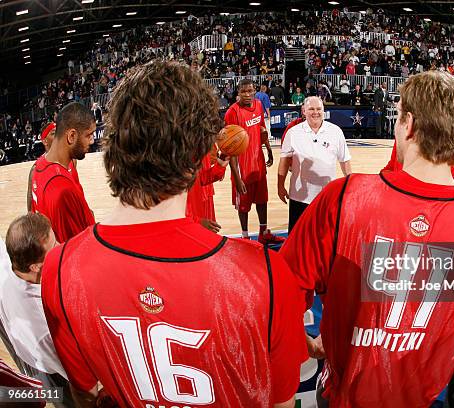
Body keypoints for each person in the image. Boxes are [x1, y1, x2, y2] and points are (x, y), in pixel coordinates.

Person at [41, 61, 306, 408]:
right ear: (198, 153)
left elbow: (87, 395)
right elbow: (279, 403)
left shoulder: (59, 270)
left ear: (114, 145)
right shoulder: (266, 276)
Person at [280, 71, 454, 407]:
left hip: (342, 391)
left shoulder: (343, 197)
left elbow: (280, 292)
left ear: (409, 124)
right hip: (421, 394)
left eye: (398, 116)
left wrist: (306, 344)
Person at [1, 214, 74, 407]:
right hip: (53, 372)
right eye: (54, 246)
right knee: (69, 400)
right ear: (35, 266)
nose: (61, 246)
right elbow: (69, 370)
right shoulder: (41, 325)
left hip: (26, 354)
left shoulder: (12, 261)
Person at [278, 97, 352, 232]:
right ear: (304, 111)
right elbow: (284, 162)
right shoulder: (293, 133)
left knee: (325, 239)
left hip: (327, 196)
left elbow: (344, 160)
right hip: (299, 198)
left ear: (324, 111)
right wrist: (280, 185)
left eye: (319, 109)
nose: (315, 112)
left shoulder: (336, 131)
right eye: (311, 109)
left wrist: (350, 185)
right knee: (297, 239)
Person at [226, 79, 284, 244]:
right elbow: (230, 147)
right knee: (243, 205)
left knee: (262, 199)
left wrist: (269, 149)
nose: (247, 94)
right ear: (238, 93)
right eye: (244, 91)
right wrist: (236, 177)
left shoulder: (258, 105)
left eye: (250, 91)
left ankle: (263, 232)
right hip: (242, 167)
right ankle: (245, 237)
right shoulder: (232, 112)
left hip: (258, 162)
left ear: (254, 91)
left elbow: (260, 129)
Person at [30, 102, 95, 242]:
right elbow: (75, 250)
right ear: (71, 136)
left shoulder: (39, 167)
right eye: (89, 135)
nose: (92, 141)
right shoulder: (62, 189)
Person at [186, 151, 229, 233]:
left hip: (196, 214)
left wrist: (220, 165)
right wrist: (197, 222)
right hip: (187, 226)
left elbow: (200, 179)